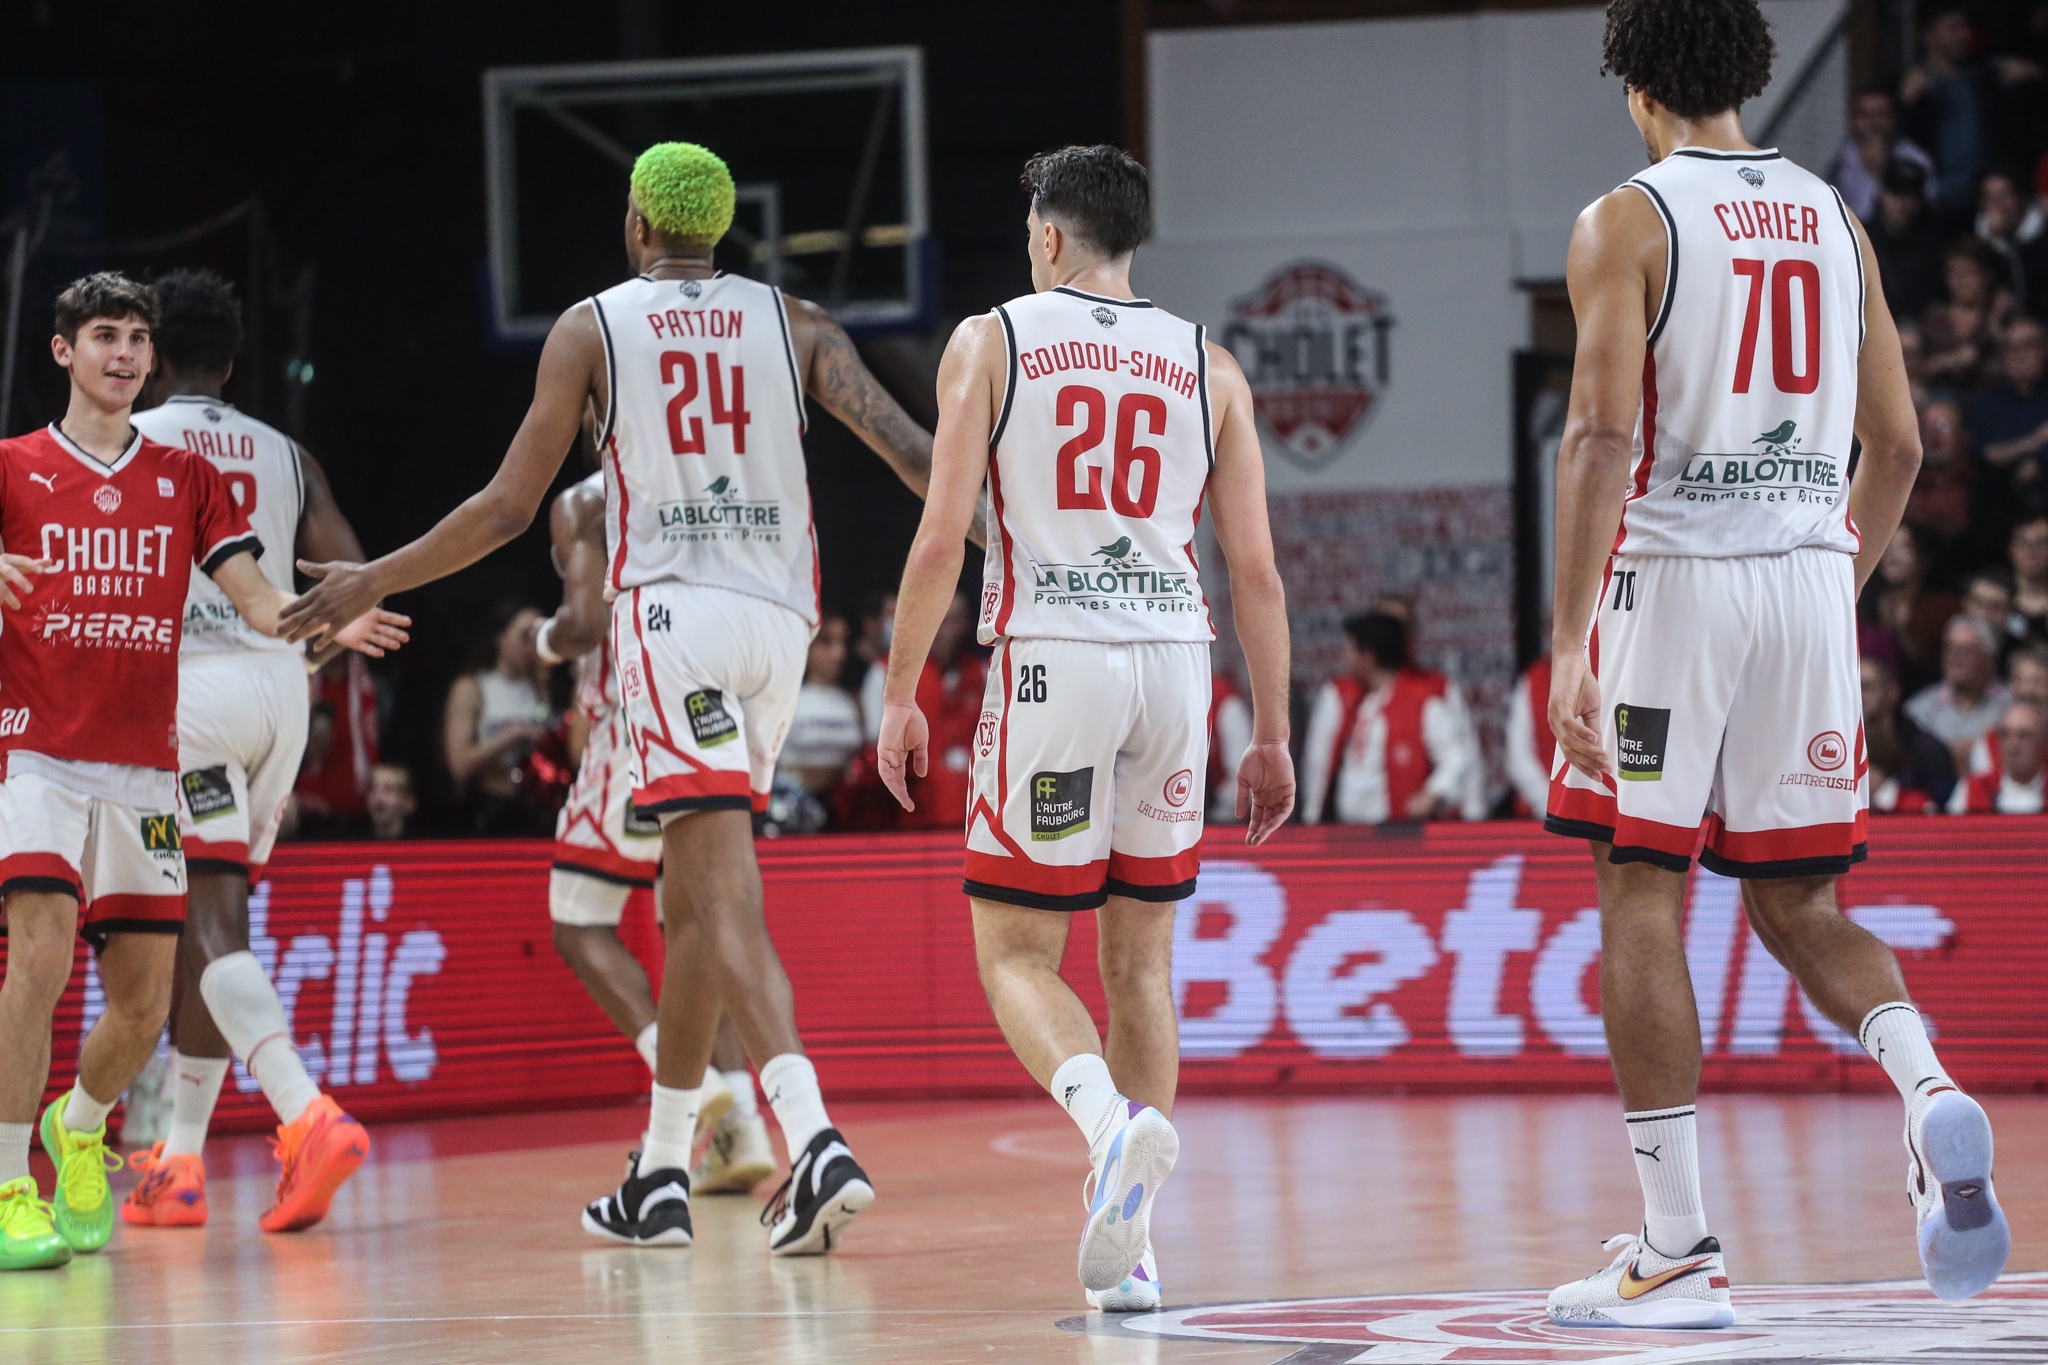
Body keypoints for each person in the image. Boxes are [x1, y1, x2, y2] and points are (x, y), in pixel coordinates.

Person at [282, 142, 953, 1256]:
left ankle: (812, 1132)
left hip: (674, 621)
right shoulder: (799, 324)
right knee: (688, 904)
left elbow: (505, 507)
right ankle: (659, 1171)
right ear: (723, 226)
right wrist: (1016, 539)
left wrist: (373, 577)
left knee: (718, 894)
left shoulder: (593, 326)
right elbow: (915, 457)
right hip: (780, 627)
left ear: (639, 225)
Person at [1545, 0, 2006, 1325]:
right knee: (1800, 906)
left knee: (1641, 891)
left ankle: (1678, 1246)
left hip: (1675, 579)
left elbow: (1594, 435)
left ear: (1635, 85)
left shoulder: (1626, 220)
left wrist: (1574, 642)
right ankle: (1925, 1087)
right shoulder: (1834, 214)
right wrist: (1825, 588)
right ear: (1750, 74)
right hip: (1810, 575)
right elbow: (1904, 448)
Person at [875, 144, 1295, 1313]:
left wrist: (900, 687)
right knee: (1140, 968)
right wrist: (1271, 729)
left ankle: (1110, 1132)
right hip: (1177, 665)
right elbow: (1253, 572)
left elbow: (936, 538)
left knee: (1013, 952)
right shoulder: (1207, 365)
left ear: (1048, 238)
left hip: (1053, 659)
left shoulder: (990, 339)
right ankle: (1137, 1252)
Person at [0, 273, 404, 1272]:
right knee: (40, 963)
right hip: (38, 750)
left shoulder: (186, 475)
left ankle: (81, 1129)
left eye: (137, 338)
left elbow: (260, 601)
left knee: (141, 1005)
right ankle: (11, 1185)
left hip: (149, 762)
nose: (125, 353)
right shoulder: (11, 467)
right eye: (104, 337)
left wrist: (327, 617)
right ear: (64, 352)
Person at [118, 268, 384, 1234]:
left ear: (146, 358)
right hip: (279, 693)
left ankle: (304, 1111)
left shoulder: (131, 440)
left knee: (207, 923)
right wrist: (321, 639)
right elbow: (345, 580)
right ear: (231, 362)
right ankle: (181, 1161)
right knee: (212, 923)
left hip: (184, 689)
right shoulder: (287, 452)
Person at [1301, 611, 1484, 824]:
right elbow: (1319, 762)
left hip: (1397, 832)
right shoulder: (1349, 701)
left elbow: (1457, 758)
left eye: (1350, 651)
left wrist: (1432, 794)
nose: (1345, 659)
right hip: (1346, 829)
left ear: (1368, 657)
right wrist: (1312, 817)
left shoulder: (1422, 703)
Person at [861, 590, 985, 829]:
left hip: (974, 818)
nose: (938, 629)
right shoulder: (886, 673)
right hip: (910, 818)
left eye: (948, 620)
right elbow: (875, 749)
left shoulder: (982, 672)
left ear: (966, 624)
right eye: (931, 618)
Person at [444, 601, 552, 834]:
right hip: (486, 805)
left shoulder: (539, 686)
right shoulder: (473, 687)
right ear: (501, 637)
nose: (530, 645)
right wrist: (513, 735)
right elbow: (459, 764)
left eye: (537, 635)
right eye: (525, 635)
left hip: (531, 805)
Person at [1906, 614, 2013, 762]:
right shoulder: (1918, 710)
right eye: (1949, 647)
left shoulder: (2011, 705)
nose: (1954, 657)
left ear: (1989, 657)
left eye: (1966, 650)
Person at [1972, 318, 2048, 520]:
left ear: (2044, 350)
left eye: (2027, 346)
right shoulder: (1989, 401)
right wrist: (2034, 442)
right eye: (2011, 348)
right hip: (2002, 503)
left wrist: (2036, 461)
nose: (2019, 355)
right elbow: (1987, 453)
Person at [780, 614, 863, 797]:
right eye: (827, 642)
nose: (838, 654)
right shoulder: (786, 699)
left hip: (845, 809)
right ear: (807, 645)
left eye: (843, 643)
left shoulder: (852, 702)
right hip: (794, 806)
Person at [1920, 238, 2017, 392]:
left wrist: (1996, 327)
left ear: (1987, 276)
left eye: (1968, 271)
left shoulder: (2004, 312)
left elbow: (2024, 360)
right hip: (1943, 400)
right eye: (1953, 271)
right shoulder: (1935, 318)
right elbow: (1917, 369)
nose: (1959, 280)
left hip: (1996, 397)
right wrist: (1950, 361)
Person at [1864, 655, 1958, 813]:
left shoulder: (1928, 751)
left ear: (1892, 692)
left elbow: (1945, 810)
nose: (1856, 696)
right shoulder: (1839, 745)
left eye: (1865, 687)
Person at [1827, 89, 1936, 222]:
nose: (1873, 123)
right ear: (1852, 121)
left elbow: (1929, 208)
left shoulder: (1915, 158)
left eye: (1881, 115)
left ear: (1893, 119)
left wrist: (1880, 171)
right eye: (1865, 115)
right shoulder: (1842, 158)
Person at [1868, 160, 1947, 319]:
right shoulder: (1861, 238)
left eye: (1911, 195)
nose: (1903, 203)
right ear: (1882, 194)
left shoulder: (1936, 243)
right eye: (1896, 192)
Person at [1951, 698, 2046, 811]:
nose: (2012, 745)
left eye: (2024, 735)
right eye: (2005, 735)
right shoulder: (1970, 788)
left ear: (2043, 740)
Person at [1505, 652, 1555, 816]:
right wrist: (1550, 804)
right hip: (1541, 815)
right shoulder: (1533, 680)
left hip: (1600, 816)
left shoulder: (1608, 674)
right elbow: (1518, 756)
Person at [2013, 515, 2048, 638]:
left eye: (2042, 543)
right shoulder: (1995, 597)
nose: (2031, 549)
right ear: (2012, 549)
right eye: (2024, 542)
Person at [365, 762, 416, 840]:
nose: (378, 797)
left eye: (389, 789)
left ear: (408, 802)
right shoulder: (351, 843)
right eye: (372, 788)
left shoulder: (424, 845)